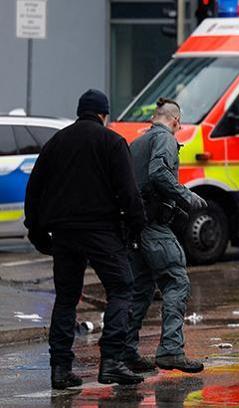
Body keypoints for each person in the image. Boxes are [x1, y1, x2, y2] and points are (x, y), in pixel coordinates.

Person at [24, 89, 146, 389]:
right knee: (121, 288)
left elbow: (34, 189)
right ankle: (112, 361)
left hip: (64, 232)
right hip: (101, 229)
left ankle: (60, 369)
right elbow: (129, 193)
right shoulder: (111, 142)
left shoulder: (56, 142)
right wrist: (136, 228)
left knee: (66, 298)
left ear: (80, 112)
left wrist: (37, 232)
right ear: (104, 115)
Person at [122, 98, 207, 373]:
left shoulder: (136, 144)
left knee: (142, 289)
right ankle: (171, 350)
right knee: (176, 281)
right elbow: (159, 173)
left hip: (133, 228)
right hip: (154, 226)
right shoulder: (166, 140)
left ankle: (125, 353)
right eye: (178, 124)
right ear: (175, 121)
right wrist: (187, 196)